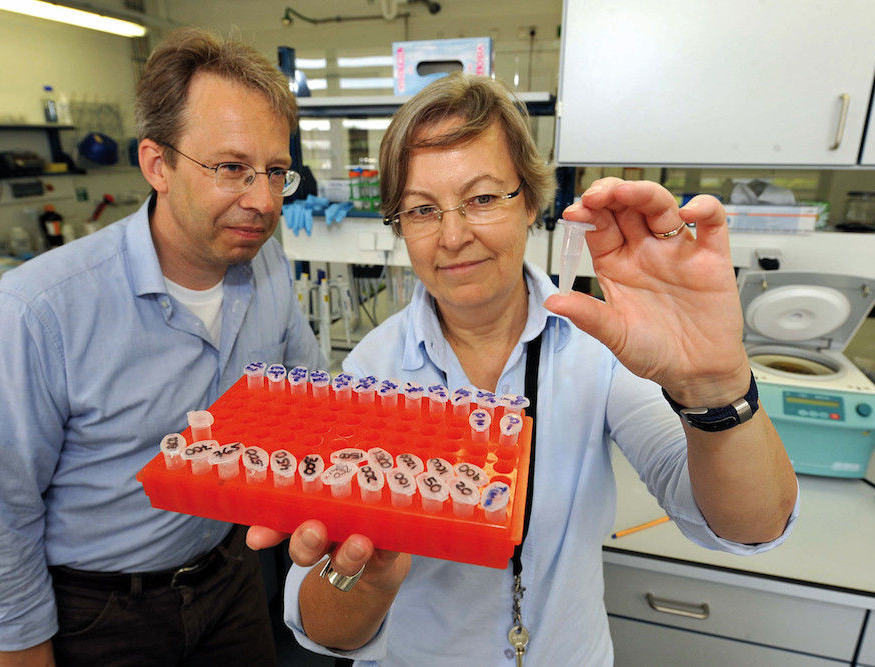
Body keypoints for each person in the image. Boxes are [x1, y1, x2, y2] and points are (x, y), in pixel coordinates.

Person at [246, 74, 799, 665]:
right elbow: (319, 625)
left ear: (531, 201)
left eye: (483, 198)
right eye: (422, 209)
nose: (454, 236)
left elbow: (750, 525)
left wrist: (714, 387)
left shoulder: (596, 345)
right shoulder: (371, 372)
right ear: (400, 225)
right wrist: (370, 581)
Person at [0, 28, 325, 666]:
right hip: (101, 613)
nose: (262, 201)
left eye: (276, 172)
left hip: (229, 577)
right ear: (159, 165)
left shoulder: (265, 271)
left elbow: (306, 407)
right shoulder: (39, 311)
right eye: (232, 168)